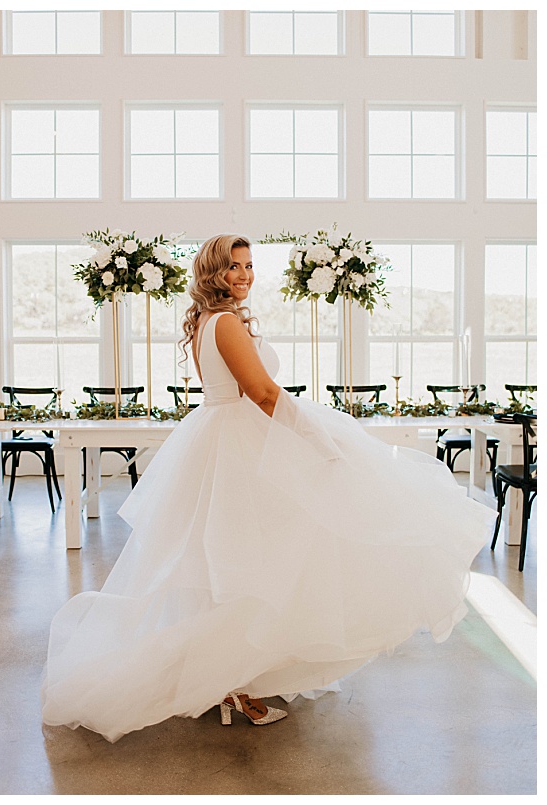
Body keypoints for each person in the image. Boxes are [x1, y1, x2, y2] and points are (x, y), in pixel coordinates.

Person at [40, 233, 492, 741]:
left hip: (225, 440)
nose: (245, 275)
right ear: (214, 271)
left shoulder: (209, 321)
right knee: (246, 563)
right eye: (234, 266)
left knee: (241, 563)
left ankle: (237, 674)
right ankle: (232, 682)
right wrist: (320, 436)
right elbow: (261, 393)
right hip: (239, 447)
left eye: (250, 265)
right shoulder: (226, 322)